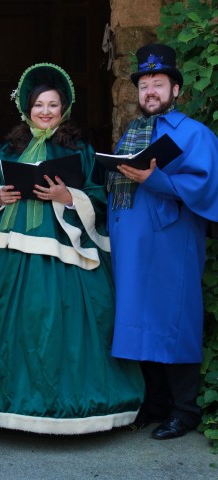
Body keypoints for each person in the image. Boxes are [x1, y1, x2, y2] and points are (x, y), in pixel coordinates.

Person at [0, 63, 144, 434]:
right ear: (27, 110)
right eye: (39, 105)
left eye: (53, 105)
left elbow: (97, 196)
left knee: (61, 322)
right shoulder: (6, 150)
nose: (45, 112)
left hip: (64, 247)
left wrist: (67, 196)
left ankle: (68, 405)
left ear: (64, 110)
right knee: (0, 319)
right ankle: (2, 404)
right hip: (7, 248)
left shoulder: (80, 151)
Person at [107, 44, 218, 440]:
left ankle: (184, 411)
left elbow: (206, 186)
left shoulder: (194, 133)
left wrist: (153, 179)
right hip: (131, 243)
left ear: (176, 90)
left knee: (174, 321)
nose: (150, 91)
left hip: (172, 244)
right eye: (144, 85)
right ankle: (153, 405)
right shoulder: (132, 133)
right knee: (139, 324)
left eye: (158, 84)